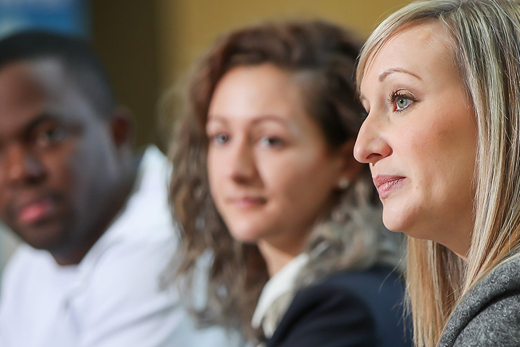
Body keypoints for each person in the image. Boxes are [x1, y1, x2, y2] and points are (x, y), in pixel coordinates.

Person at [169, 20, 411, 347]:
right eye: (221, 137)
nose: (235, 170)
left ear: (345, 161)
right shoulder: (305, 299)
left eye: (270, 140)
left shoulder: (342, 313)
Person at [0, 30, 239, 347]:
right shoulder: (34, 258)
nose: (18, 172)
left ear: (117, 133)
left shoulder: (161, 248)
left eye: (48, 135)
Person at [353, 0, 520, 346]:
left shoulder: (505, 321)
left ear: (501, 107)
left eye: (400, 100)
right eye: (366, 110)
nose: (363, 148)